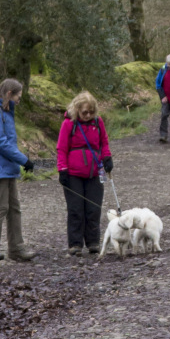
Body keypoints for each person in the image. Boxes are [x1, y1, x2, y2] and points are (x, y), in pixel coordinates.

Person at [0, 79, 37, 262]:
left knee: (14, 208)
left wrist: (19, 161)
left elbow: (7, 142)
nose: (20, 100)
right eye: (18, 96)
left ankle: (16, 249)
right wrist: (24, 160)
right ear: (10, 93)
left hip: (7, 167)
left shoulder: (4, 112)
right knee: (1, 207)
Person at [56, 92, 113, 256]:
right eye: (84, 113)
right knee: (75, 209)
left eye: (91, 112)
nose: (88, 116)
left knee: (94, 208)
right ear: (77, 110)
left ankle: (93, 242)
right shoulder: (69, 124)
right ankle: (75, 244)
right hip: (73, 174)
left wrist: (107, 157)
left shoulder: (98, 122)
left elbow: (104, 142)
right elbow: (61, 148)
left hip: (95, 171)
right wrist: (62, 169)